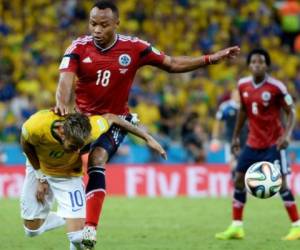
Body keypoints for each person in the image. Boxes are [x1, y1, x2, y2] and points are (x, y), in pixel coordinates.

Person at [54, 1, 240, 248]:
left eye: (103, 25)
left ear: (116, 24)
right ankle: (62, 220)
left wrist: (209, 59)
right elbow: (64, 83)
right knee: (68, 168)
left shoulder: (134, 47)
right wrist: (63, 106)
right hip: (84, 122)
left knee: (97, 160)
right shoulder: (78, 47)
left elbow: (171, 64)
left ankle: (90, 229)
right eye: (93, 24)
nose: (96, 29)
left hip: (116, 121)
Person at [20, 110, 166, 250]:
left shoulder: (93, 127)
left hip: (68, 175)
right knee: (32, 231)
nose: (77, 151)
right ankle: (67, 216)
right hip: (39, 167)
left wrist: (148, 138)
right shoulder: (37, 125)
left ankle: (72, 216)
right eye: (73, 146)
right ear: (62, 133)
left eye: (80, 146)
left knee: (79, 238)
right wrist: (41, 177)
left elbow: (113, 117)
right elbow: (26, 144)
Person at [215, 49, 300, 240]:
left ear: (266, 65)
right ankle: (237, 227)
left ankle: (297, 225)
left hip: (274, 143)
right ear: (249, 65)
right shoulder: (243, 85)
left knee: (281, 184)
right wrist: (236, 137)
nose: (257, 65)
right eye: (253, 62)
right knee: (238, 179)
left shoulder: (276, 87)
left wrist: (286, 136)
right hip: (253, 142)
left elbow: (291, 112)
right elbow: (243, 112)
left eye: (260, 62)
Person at [210, 89, 247, 176]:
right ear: (232, 96)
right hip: (231, 139)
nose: (238, 96)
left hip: (246, 139)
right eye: (236, 94)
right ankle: (235, 182)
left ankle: (244, 184)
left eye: (240, 94)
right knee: (232, 163)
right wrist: (215, 138)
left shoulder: (246, 106)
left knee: (245, 162)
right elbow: (218, 122)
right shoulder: (225, 107)